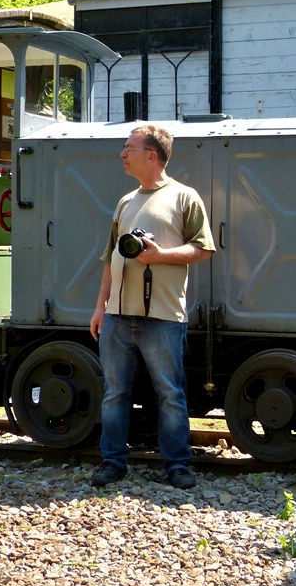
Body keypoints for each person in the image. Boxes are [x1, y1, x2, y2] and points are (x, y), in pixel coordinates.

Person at [89, 124, 215, 490]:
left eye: (129, 148)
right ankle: (112, 463)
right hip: (116, 317)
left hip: (163, 318)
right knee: (115, 393)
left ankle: (177, 466)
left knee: (170, 394)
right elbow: (110, 259)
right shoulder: (125, 202)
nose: (122, 154)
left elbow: (203, 249)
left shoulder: (184, 197)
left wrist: (160, 255)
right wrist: (100, 308)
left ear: (151, 155)